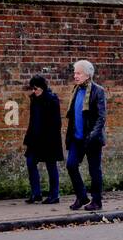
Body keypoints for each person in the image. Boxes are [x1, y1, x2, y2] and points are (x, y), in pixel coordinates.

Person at [64, 60, 106, 211]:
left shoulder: (98, 91)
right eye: (74, 72)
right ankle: (81, 197)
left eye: (78, 73)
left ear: (87, 75)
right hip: (77, 137)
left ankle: (97, 201)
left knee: (94, 170)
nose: (75, 76)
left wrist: (92, 136)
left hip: (92, 139)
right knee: (71, 165)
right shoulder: (76, 90)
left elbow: (101, 117)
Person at [23, 75, 63, 204]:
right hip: (35, 139)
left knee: (51, 166)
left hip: (49, 139)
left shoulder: (52, 99)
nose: (34, 91)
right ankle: (36, 193)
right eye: (32, 89)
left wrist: (51, 138)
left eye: (36, 88)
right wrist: (29, 137)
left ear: (42, 88)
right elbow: (33, 120)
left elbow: (56, 122)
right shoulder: (34, 100)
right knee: (30, 163)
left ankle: (54, 195)